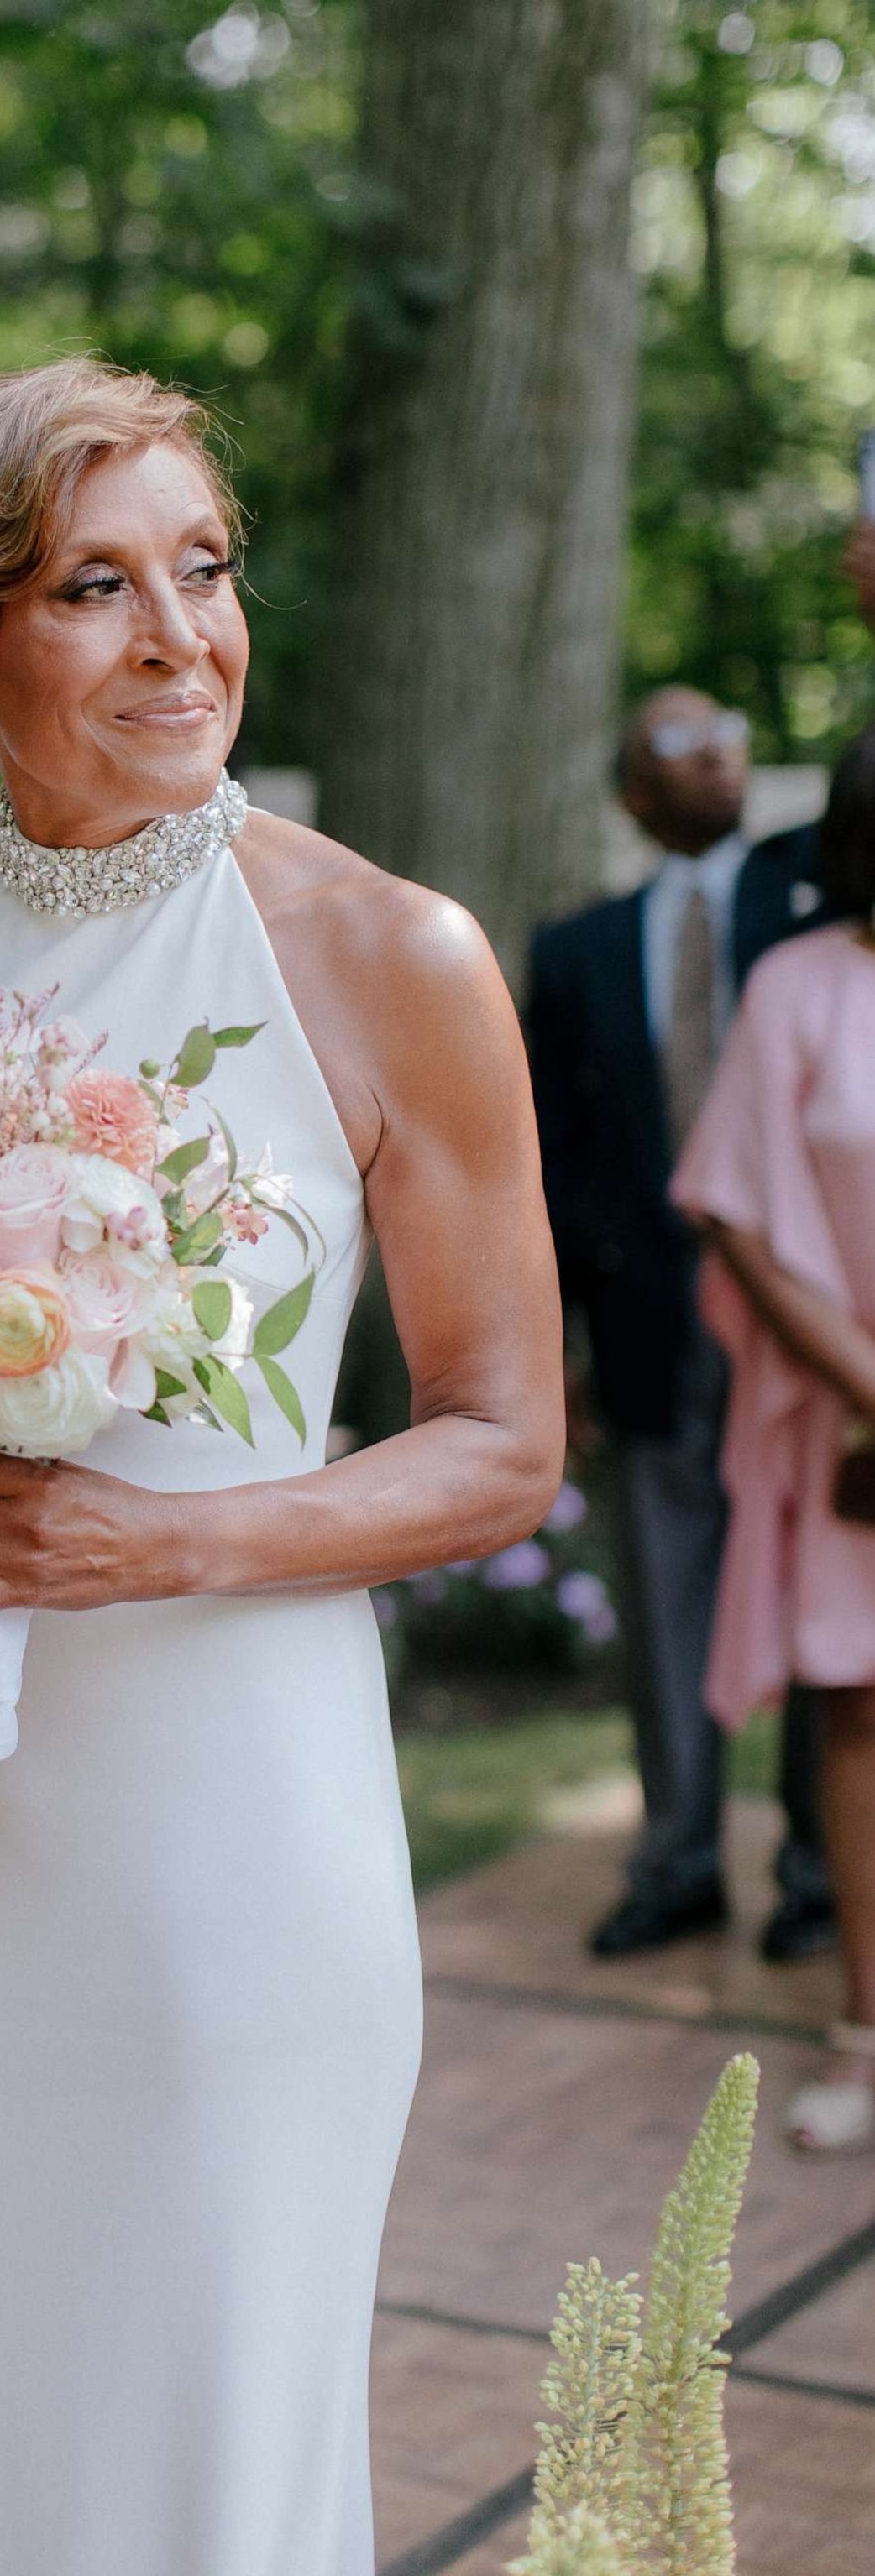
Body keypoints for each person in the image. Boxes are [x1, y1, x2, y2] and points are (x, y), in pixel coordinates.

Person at [0, 358, 563, 2576]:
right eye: (91, 589)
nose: (181, 640)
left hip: (223, 1819)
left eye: (202, 572)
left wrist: (166, 1537)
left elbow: (508, 1447)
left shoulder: (389, 959)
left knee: (219, 2424)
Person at [527, 687, 840, 1962]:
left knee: (826, 1579)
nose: (715, 753)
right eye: (676, 741)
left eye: (729, 732)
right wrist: (553, 1344)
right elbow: (544, 1162)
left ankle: (823, 1871)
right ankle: (680, 1861)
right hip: (650, 1321)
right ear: (629, 792)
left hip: (808, 1317)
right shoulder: (577, 947)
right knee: (665, 1596)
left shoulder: (807, 901)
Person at [673, 724, 875, 2152]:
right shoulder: (799, 987)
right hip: (852, 1411)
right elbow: (734, 1210)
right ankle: (863, 2037)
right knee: (860, 1714)